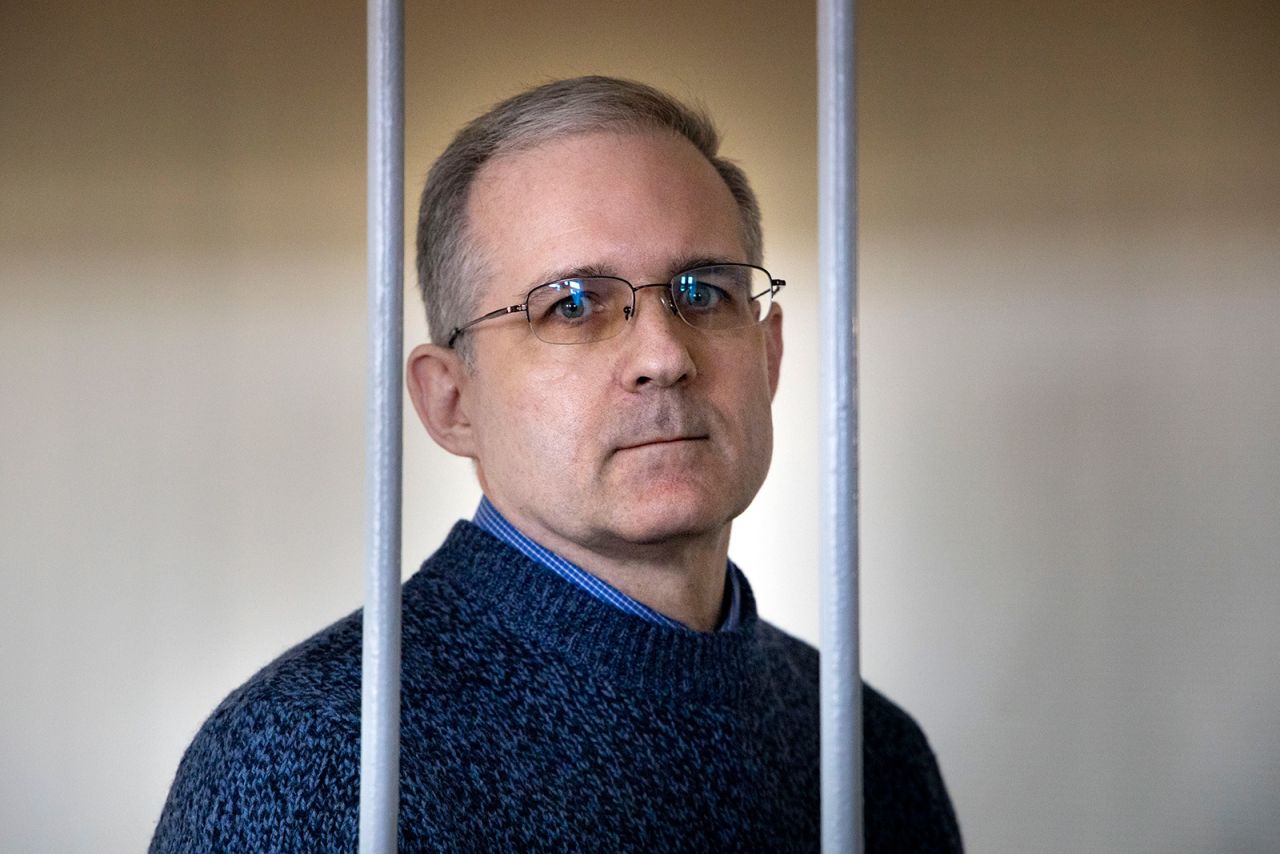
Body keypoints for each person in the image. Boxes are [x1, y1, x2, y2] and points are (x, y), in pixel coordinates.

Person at [151, 75, 961, 852]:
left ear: (771, 354)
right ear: (452, 402)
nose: (663, 355)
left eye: (705, 291)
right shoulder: (326, 756)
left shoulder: (868, 750)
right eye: (573, 304)